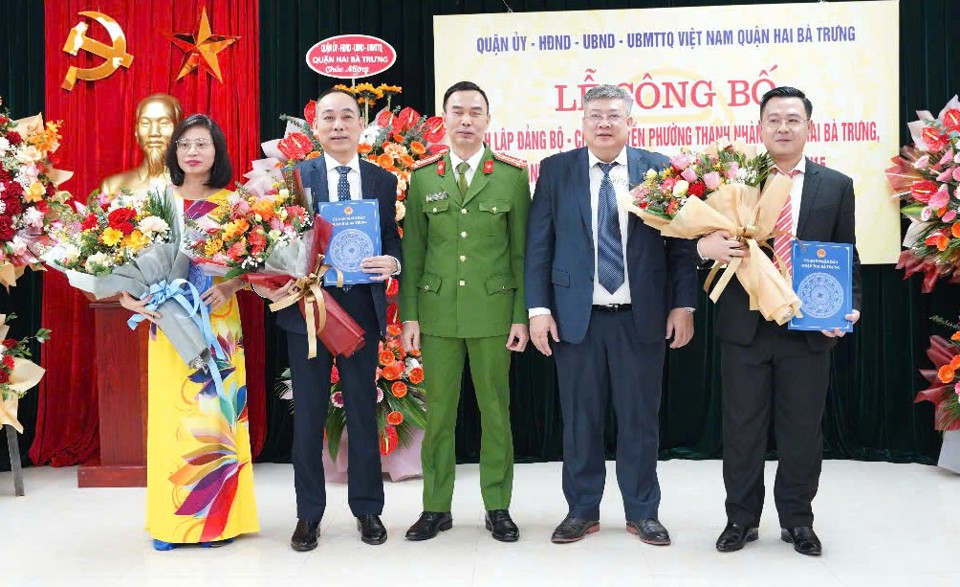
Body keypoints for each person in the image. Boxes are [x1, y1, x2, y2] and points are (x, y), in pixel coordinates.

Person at [525, 84, 698, 545]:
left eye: (614, 115)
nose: (604, 123)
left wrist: (684, 304)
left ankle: (643, 511)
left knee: (640, 419)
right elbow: (538, 245)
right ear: (582, 123)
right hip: (574, 318)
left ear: (630, 123)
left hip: (640, 317)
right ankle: (582, 510)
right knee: (580, 420)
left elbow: (681, 246)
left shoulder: (658, 169)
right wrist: (538, 309)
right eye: (595, 115)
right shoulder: (557, 170)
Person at [697, 86, 861, 556]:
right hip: (745, 326)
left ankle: (798, 520)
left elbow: (846, 255)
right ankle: (740, 519)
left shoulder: (836, 185)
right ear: (760, 127)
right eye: (774, 119)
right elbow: (703, 245)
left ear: (809, 127)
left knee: (802, 430)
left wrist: (850, 307)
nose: (783, 127)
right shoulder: (734, 183)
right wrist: (705, 247)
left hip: (808, 326)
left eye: (792, 119)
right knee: (742, 429)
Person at [257, 88, 402, 551]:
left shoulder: (382, 180)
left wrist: (392, 264)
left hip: (361, 310)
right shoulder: (295, 178)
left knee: (363, 413)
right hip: (308, 310)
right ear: (314, 127)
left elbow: (394, 243)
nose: (338, 126)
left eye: (346, 118)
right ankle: (308, 516)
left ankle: (368, 510)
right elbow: (275, 244)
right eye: (328, 119)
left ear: (361, 126)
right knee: (310, 418)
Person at [119, 113, 259, 550]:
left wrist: (232, 284)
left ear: (217, 151)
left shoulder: (235, 203)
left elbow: (258, 265)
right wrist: (128, 298)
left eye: (202, 144)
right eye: (185, 145)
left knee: (216, 418)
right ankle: (170, 523)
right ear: (174, 153)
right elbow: (124, 259)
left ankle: (216, 522)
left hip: (217, 324)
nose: (193, 152)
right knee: (170, 419)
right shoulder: (156, 201)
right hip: (168, 323)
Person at [401, 81, 531, 543]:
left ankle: (498, 505)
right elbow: (412, 253)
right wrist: (409, 318)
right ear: (444, 118)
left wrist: (520, 316)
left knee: (495, 410)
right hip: (436, 314)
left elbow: (521, 255)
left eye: (476, 112)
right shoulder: (423, 176)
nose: (466, 120)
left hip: (494, 312)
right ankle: (436, 506)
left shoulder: (512, 176)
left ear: (488, 119)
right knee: (438, 415)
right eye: (457, 111)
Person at [100, 93, 182, 195]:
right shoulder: (112, 187)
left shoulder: (198, 188)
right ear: (136, 132)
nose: (154, 132)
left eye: (164, 123)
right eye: (145, 123)